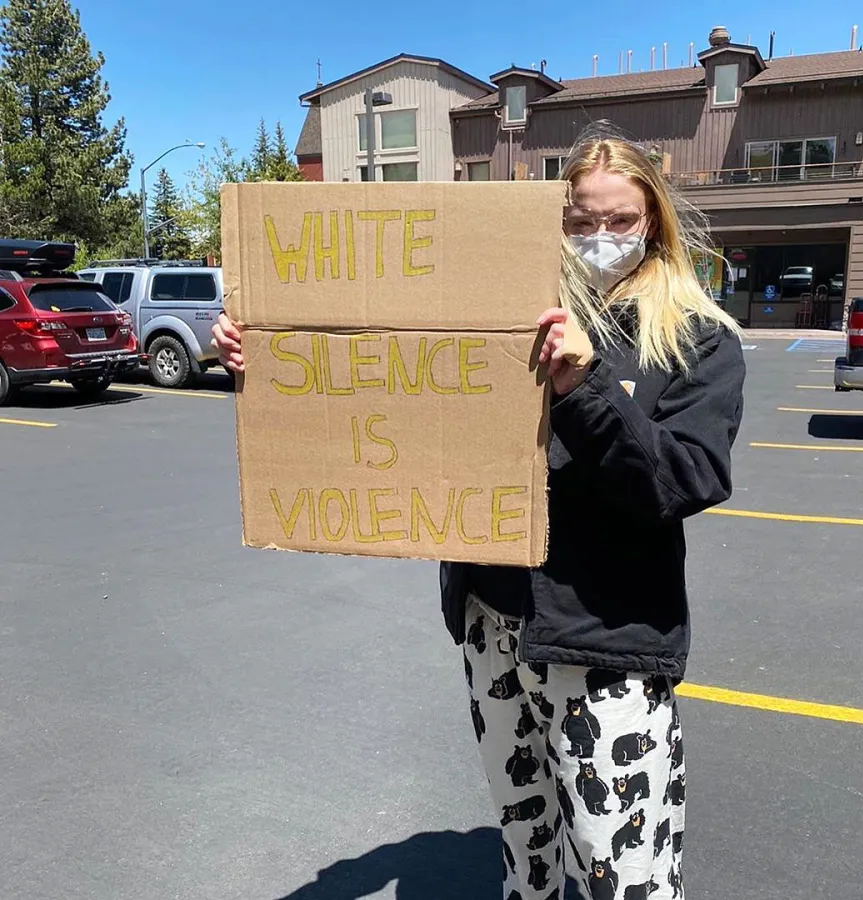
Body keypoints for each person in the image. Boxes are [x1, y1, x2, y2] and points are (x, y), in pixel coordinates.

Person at [212, 127, 745, 900]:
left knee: (618, 865)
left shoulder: (698, 340)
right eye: (580, 219)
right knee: (525, 837)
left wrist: (584, 390)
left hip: (606, 641)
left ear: (654, 220)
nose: (599, 236)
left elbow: (681, 481)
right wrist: (264, 350)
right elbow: (387, 372)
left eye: (620, 219)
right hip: (496, 623)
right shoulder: (511, 306)